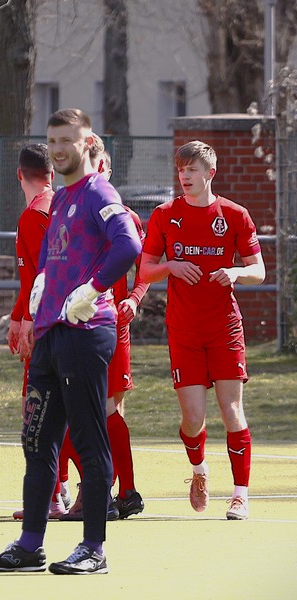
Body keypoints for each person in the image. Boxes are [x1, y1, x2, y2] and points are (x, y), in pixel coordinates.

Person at [0, 109, 141, 575]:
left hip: (86, 332)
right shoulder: (62, 197)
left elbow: (128, 246)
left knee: (88, 437)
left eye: (67, 139)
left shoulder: (98, 192)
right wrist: (45, 283)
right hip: (50, 333)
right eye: (52, 140)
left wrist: (94, 288)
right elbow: (51, 255)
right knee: (37, 441)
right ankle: (30, 546)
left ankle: (94, 548)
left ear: (88, 144)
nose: (59, 147)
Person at [139, 140, 265, 520]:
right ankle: (199, 471)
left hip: (224, 327)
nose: (185, 177)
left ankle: (240, 494)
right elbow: (144, 270)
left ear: (210, 173)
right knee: (193, 419)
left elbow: (258, 271)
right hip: (183, 330)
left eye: (192, 170)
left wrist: (238, 272)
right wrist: (171, 267)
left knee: (231, 410)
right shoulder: (164, 215)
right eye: (181, 170)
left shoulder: (235, 215)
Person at [58, 136, 148, 521]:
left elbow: (143, 266)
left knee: (107, 409)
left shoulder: (122, 215)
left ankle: (118, 490)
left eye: (100, 168)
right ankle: (101, 490)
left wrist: (135, 297)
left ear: (107, 172)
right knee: (78, 409)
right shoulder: (67, 210)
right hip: (75, 324)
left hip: (110, 326)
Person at [5, 143, 70, 521]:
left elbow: (37, 276)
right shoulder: (58, 206)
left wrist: (25, 320)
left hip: (46, 324)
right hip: (61, 320)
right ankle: (61, 492)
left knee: (40, 412)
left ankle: (52, 495)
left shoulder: (34, 215)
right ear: (51, 172)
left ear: (19, 175)